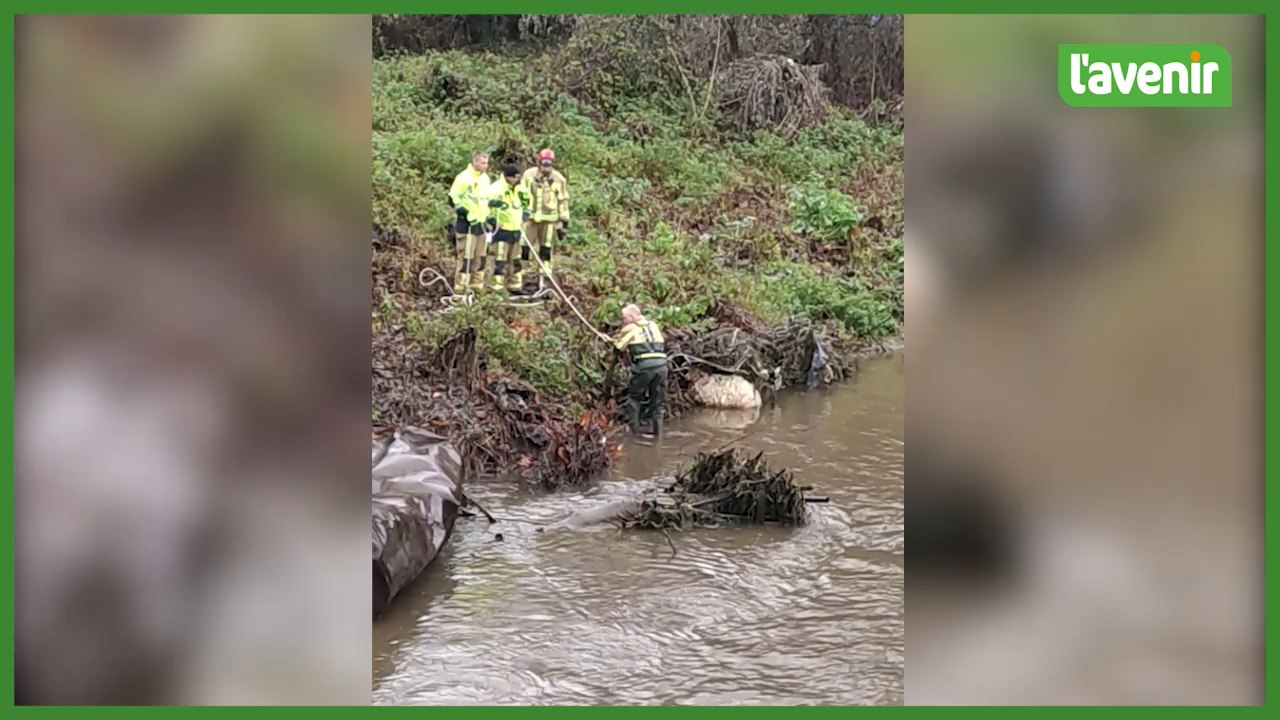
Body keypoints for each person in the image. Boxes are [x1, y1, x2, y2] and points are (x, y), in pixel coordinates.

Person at [613, 303, 668, 436]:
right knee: (658, 404)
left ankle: (635, 435)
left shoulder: (631, 329)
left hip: (644, 367)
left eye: (624, 318)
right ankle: (658, 436)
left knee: (634, 399)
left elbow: (618, 347)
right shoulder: (653, 325)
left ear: (632, 317)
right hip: (662, 366)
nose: (623, 321)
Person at [520, 148, 570, 292]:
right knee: (524, 247)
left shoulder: (559, 179)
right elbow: (522, 194)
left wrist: (564, 223)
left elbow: (563, 201)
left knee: (546, 249)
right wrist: (522, 211)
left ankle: (544, 277)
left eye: (549, 164)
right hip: (530, 218)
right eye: (544, 164)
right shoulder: (529, 175)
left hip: (549, 220)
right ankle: (522, 276)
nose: (546, 168)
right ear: (538, 162)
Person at [447, 151, 492, 293]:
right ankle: (461, 289)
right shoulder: (463, 178)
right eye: (483, 163)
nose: (486, 166)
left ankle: (477, 288)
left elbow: (487, 200)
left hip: (481, 225)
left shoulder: (485, 179)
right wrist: (465, 213)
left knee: (480, 258)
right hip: (466, 226)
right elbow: (453, 198)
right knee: (466, 258)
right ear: (475, 162)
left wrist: (490, 217)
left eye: (487, 163)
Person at [485, 165, 531, 293]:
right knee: (499, 258)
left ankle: (515, 285)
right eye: (515, 177)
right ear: (508, 177)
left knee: (515, 259)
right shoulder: (496, 188)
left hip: (516, 228)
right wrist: (491, 220)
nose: (517, 179)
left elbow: (527, 201)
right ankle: (496, 286)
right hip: (501, 229)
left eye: (518, 177)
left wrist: (526, 212)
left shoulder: (520, 188)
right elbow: (484, 205)